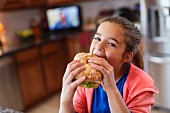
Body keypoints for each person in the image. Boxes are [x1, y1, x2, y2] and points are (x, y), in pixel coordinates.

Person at [59, 16, 158, 113]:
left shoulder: (141, 84)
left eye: (111, 44)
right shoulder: (85, 78)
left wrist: (111, 90)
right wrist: (65, 101)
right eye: (97, 38)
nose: (98, 46)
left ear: (126, 57)